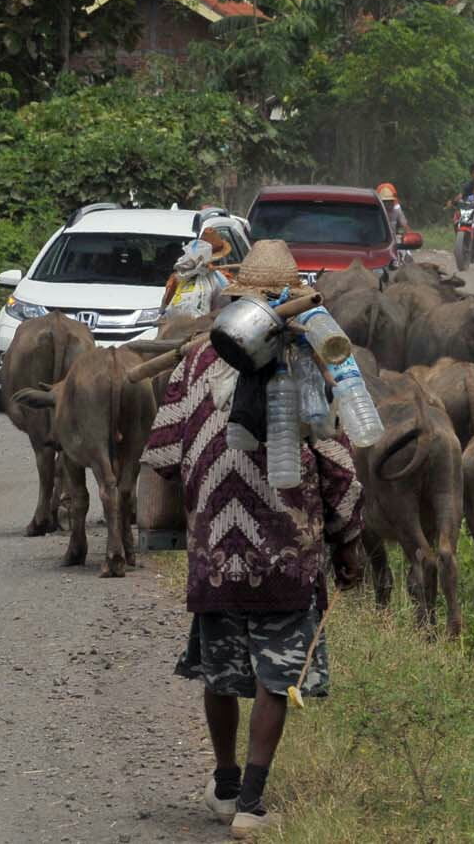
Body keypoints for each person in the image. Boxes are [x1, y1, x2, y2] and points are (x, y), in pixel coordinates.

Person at [143, 240, 366, 839]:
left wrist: (208, 478)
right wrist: (350, 543)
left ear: (237, 296)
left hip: (215, 549)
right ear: (292, 299)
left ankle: (222, 783)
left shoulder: (196, 362)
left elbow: (163, 453)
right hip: (287, 551)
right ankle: (252, 802)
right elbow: (339, 469)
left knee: (219, 671)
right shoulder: (310, 365)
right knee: (276, 675)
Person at [161, 229, 232, 319]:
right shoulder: (220, 279)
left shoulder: (178, 275)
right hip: (201, 325)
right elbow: (223, 309)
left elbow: (166, 302)